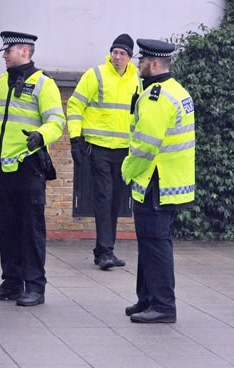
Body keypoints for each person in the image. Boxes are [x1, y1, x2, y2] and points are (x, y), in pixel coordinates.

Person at [0, 31, 65, 306]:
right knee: (8, 227)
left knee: (31, 229)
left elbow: (56, 121)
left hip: (29, 167)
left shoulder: (44, 84)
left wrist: (41, 135)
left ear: (25, 52)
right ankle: (12, 282)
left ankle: (35, 287)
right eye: (4, 51)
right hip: (5, 169)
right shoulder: (2, 82)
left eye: (9, 50)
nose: (4, 55)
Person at [122, 39, 195, 323]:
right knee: (151, 242)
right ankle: (147, 299)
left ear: (153, 64)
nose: (137, 64)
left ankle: (163, 306)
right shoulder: (178, 91)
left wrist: (127, 170)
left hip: (156, 181)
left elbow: (145, 147)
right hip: (171, 181)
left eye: (140, 61)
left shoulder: (156, 96)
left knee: (155, 243)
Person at [67, 34, 139, 270]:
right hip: (98, 148)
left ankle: (103, 250)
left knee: (117, 200)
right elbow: (75, 105)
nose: (117, 57)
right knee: (104, 197)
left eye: (122, 53)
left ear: (130, 57)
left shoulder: (136, 79)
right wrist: (75, 139)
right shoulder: (95, 74)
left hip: (123, 150)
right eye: (114, 52)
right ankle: (106, 251)